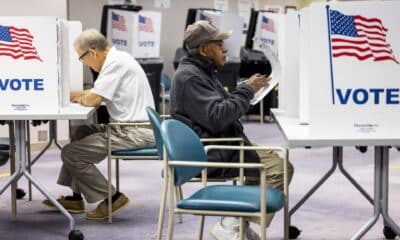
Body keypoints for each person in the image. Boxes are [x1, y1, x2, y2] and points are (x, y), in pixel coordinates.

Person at [170, 21, 294, 240]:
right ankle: (231, 224)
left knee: (274, 162)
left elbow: (217, 109)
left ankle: (238, 223)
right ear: (203, 49)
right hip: (213, 150)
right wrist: (246, 91)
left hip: (220, 142)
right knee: (280, 168)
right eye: (219, 44)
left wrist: (244, 90)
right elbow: (217, 117)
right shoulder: (191, 77)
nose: (225, 49)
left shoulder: (201, 72)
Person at [42, 29, 156, 220]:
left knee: (71, 153)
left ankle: (113, 198)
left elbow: (93, 99)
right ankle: (75, 198)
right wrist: (77, 95)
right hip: (131, 127)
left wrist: (81, 98)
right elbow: (92, 94)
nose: (84, 63)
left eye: (82, 58)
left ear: (92, 53)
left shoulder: (114, 63)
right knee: (82, 132)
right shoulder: (118, 58)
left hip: (134, 132)